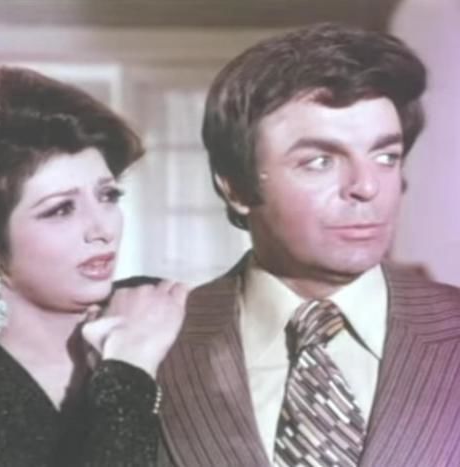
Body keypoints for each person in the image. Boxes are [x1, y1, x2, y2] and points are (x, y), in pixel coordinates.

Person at [158, 23, 460, 467]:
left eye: (385, 157)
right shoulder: (154, 343)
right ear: (235, 188)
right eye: (320, 161)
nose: (367, 187)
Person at [0, 65, 187, 467]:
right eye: (61, 209)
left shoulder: (161, 308)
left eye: (108, 196)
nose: (102, 229)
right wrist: (128, 369)